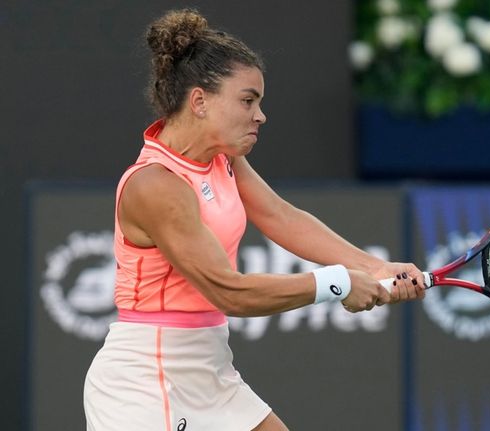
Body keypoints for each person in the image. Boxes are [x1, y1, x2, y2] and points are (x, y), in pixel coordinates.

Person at [83, 8, 426, 431]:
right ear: (199, 101)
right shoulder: (157, 186)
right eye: (248, 100)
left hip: (210, 367)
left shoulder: (222, 158)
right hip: (146, 381)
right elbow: (230, 292)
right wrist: (336, 282)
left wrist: (374, 267)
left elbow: (282, 217)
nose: (260, 115)